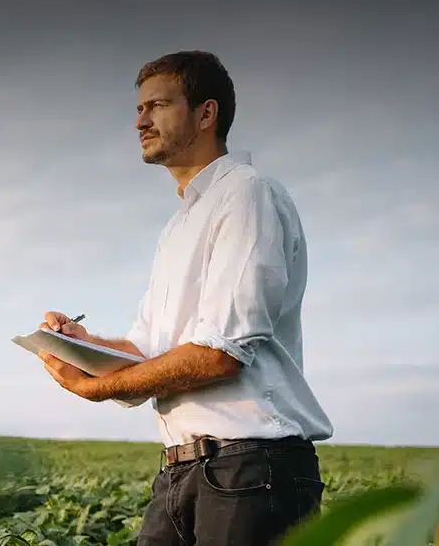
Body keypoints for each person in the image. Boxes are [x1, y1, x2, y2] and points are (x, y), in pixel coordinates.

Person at [35, 50, 334, 545]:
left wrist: (97, 388)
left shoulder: (247, 193)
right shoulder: (177, 228)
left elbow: (219, 355)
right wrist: (85, 349)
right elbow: (148, 356)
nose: (140, 121)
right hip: (183, 472)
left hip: (252, 468)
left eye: (157, 106)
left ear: (205, 113)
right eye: (138, 110)